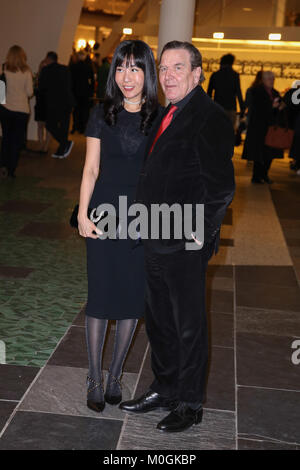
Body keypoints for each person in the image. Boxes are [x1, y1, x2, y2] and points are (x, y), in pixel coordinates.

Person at [119, 41, 235, 433]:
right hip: (155, 235)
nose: (168, 76)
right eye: (163, 68)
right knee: (160, 321)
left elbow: (220, 189)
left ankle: (189, 403)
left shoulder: (210, 117)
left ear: (197, 73)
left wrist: (195, 241)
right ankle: (165, 388)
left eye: (177, 68)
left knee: (188, 326)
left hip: (184, 242)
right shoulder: (167, 111)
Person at [77, 40, 159, 413]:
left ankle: (114, 377)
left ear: (147, 73)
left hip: (140, 218)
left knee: (130, 298)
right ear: (114, 73)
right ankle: (94, 378)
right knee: (100, 295)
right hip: (104, 214)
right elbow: (91, 169)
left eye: (135, 68)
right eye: (121, 68)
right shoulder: (101, 112)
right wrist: (82, 214)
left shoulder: (159, 116)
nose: (127, 77)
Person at [242, 71, 284, 184]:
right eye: (270, 79)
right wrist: (271, 107)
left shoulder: (275, 92)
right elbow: (256, 109)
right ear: (264, 79)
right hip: (259, 128)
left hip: (271, 128)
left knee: (269, 153)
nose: (272, 81)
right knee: (259, 153)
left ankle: (264, 174)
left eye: (273, 79)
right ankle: (257, 176)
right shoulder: (256, 91)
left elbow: (277, 109)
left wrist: (279, 108)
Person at [0, 45, 33, 178]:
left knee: (6, 138)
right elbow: (30, 92)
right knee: (16, 141)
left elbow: (0, 93)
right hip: (21, 110)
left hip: (6, 109)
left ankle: (3, 164)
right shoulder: (26, 72)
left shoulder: (4, 70)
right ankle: (12, 169)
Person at [38, 51, 75, 159]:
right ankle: (62, 149)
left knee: (50, 125)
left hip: (53, 103)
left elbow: (41, 87)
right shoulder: (65, 69)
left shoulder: (45, 70)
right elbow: (70, 84)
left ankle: (65, 144)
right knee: (64, 127)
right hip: (67, 102)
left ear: (48, 59)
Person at [207, 53, 244, 131]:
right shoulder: (235, 75)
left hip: (217, 108)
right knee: (229, 132)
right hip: (231, 109)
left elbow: (209, 94)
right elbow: (239, 93)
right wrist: (242, 110)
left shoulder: (215, 75)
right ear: (232, 63)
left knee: (217, 131)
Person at [70, 51, 94, 134]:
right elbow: (92, 81)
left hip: (75, 92)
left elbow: (70, 80)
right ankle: (83, 128)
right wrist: (91, 91)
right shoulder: (88, 67)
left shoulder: (73, 67)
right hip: (85, 92)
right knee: (85, 111)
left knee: (76, 111)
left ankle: (75, 126)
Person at [34, 57, 50, 153]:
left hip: (48, 105)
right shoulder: (37, 78)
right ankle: (40, 144)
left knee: (48, 127)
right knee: (40, 126)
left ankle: (46, 146)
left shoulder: (51, 79)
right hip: (39, 104)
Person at [283, 80, 300, 175]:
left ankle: (296, 162)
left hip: (294, 123)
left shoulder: (292, 93)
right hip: (296, 123)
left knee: (296, 144)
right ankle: (296, 162)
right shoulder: (294, 93)